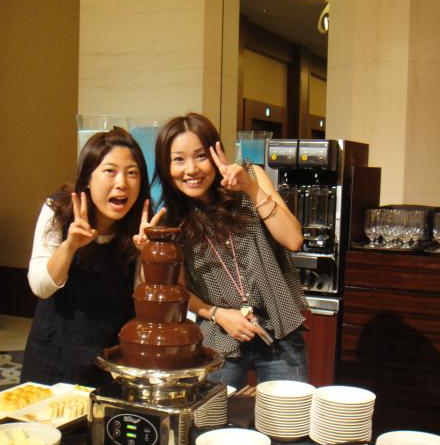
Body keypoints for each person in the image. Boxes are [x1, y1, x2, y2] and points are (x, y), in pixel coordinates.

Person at [152, 113, 309, 389]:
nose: (191, 169)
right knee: (214, 414)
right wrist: (217, 314)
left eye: (201, 156)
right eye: (179, 159)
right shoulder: (170, 220)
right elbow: (178, 290)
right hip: (220, 333)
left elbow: (293, 239)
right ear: (166, 166)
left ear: (216, 154)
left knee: (288, 413)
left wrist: (250, 188)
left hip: (279, 325)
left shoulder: (251, 177)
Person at [22, 127, 164, 387]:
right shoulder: (59, 210)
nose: (122, 183)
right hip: (54, 351)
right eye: (110, 171)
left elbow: (144, 307)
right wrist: (69, 246)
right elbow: (40, 286)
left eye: (132, 173)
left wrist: (148, 255)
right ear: (87, 177)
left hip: (112, 357)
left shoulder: (142, 226)